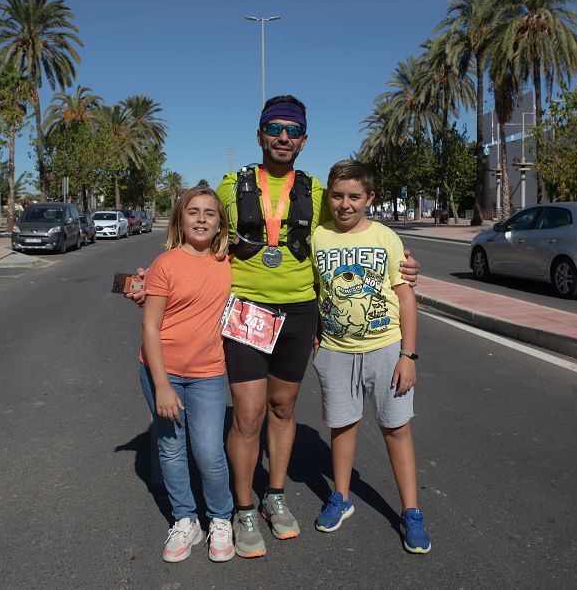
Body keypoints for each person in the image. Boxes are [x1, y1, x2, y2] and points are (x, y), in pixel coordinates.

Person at [130, 95, 419, 558]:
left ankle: (275, 495)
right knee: (248, 414)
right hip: (247, 310)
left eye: (292, 130)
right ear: (261, 134)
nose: (283, 137)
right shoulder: (232, 185)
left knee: (283, 408)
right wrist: (151, 278)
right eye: (275, 128)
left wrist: (401, 263)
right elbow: (198, 234)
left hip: (300, 311)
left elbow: (352, 230)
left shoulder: (319, 192)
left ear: (304, 141)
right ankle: (242, 508)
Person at [310, 159, 431, 554]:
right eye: (338, 196)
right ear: (329, 197)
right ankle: (341, 497)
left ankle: (411, 511)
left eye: (354, 197)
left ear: (369, 198)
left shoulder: (386, 238)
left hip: (385, 350)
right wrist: (316, 334)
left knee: (396, 429)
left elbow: (405, 295)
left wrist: (408, 355)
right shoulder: (318, 237)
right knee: (342, 426)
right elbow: (312, 290)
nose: (345, 204)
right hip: (336, 351)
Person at [138, 186, 235, 563]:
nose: (201, 219)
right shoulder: (166, 264)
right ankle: (185, 518)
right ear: (180, 217)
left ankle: (220, 518)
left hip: (208, 373)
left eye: (209, 213)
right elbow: (150, 327)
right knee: (171, 448)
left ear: (220, 223)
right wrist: (162, 385)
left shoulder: (230, 262)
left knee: (209, 452)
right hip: (161, 371)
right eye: (192, 211)